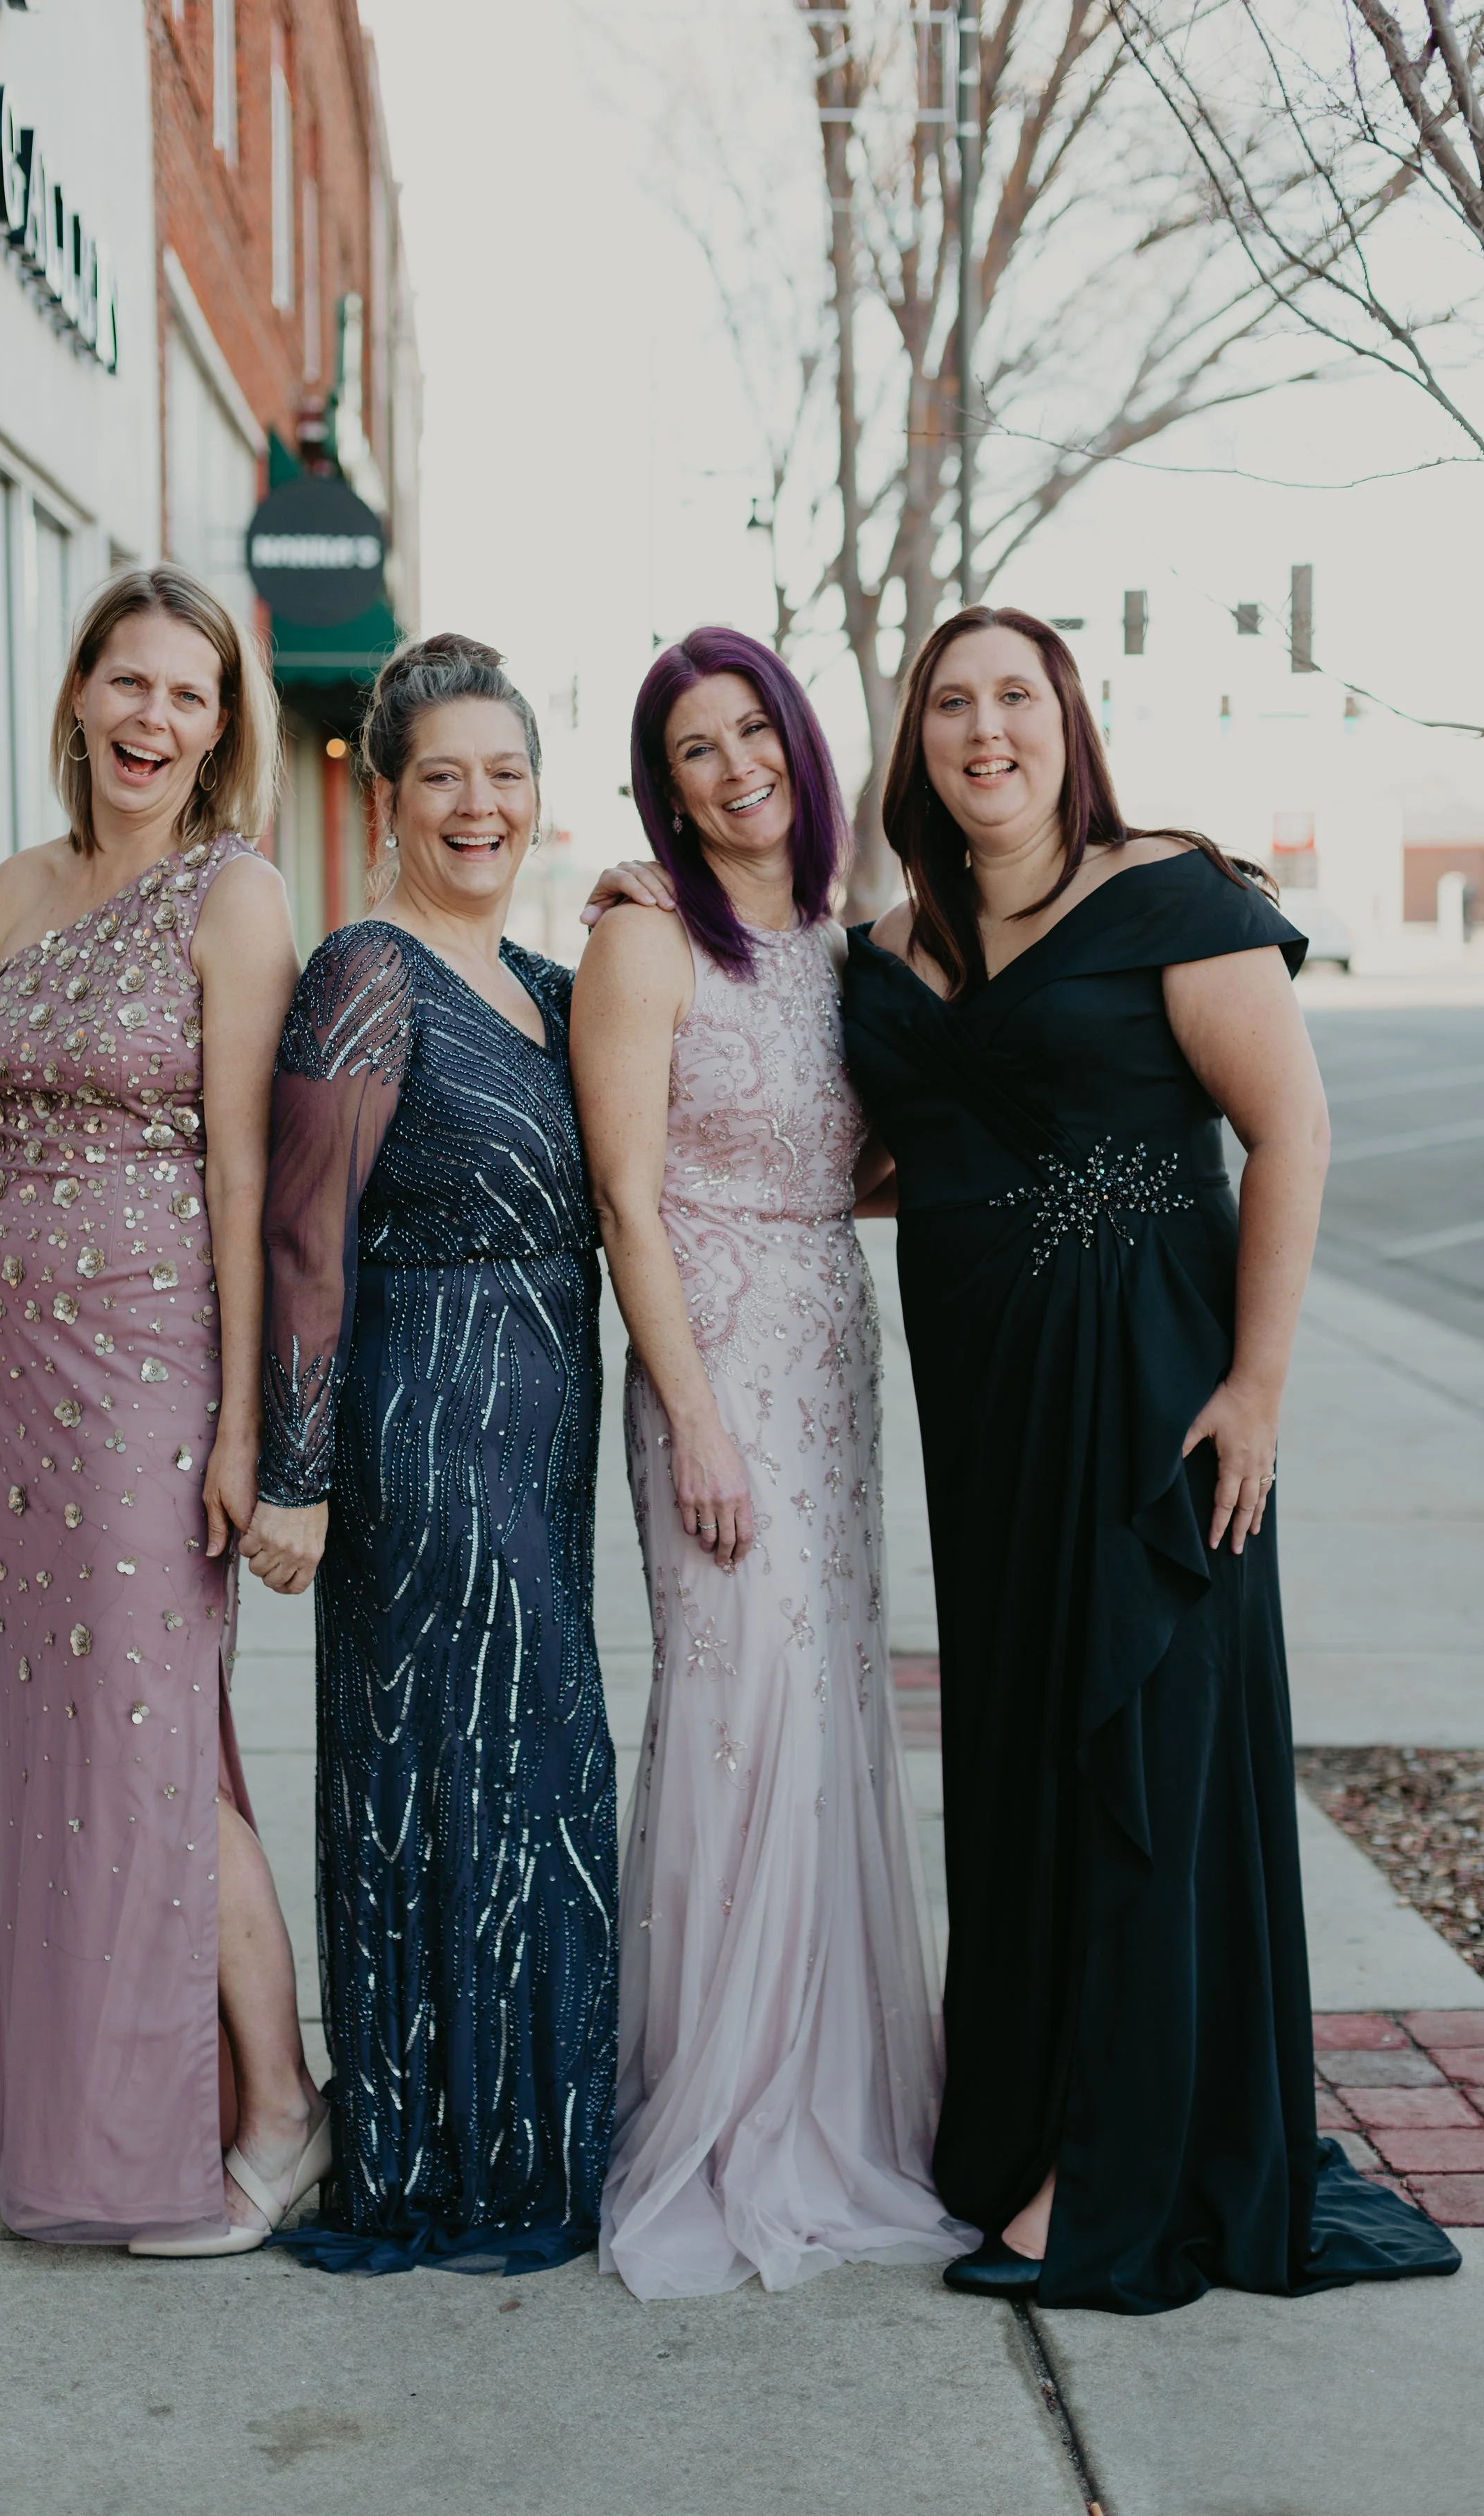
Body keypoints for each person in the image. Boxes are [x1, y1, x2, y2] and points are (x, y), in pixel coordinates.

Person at [840, 605, 1460, 2311]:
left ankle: (1098, 2176)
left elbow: (1291, 1127)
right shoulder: (887, 955)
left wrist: (1257, 1384)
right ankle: (1030, 2116)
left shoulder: (1168, 896)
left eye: (1016, 698)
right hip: (987, 1421)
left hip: (1153, 1401)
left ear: (1069, 720)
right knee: (1028, 1770)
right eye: (950, 703)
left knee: (1146, 1766)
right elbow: (907, 1152)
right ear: (915, 742)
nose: (986, 731)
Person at [0, 565, 326, 2254]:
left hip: (147, 1379)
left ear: (221, 728)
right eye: (129, 684)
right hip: (8, 1390)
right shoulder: (17, 888)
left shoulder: (236, 898)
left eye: (189, 694)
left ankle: (285, 2111)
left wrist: (246, 1426)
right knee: (58, 1753)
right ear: (78, 695)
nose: (154, 719)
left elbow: (250, 1177)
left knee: (155, 1753)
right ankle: (110, 2116)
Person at [572, 626, 965, 2301]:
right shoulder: (645, 939)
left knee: (824, 1725)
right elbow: (626, 1203)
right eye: (693, 752)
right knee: (741, 1713)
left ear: (802, 747)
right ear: (663, 791)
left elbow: (851, 1159)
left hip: (827, 1347)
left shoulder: (838, 942)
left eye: (754, 736)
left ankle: (830, 2094)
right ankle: (729, 2108)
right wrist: (701, 1417)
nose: (734, 771)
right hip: (712, 1363)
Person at [245, 632, 616, 2277]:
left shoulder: (543, 985)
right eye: (446, 776)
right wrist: (301, 1469)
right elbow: (303, 1236)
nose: (482, 805)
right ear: (385, 797)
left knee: (533, 1781)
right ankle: (439, 2153)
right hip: (422, 1430)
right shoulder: (365, 972)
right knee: (440, 1787)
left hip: (543, 1435)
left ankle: (532, 2140)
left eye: (507, 773)